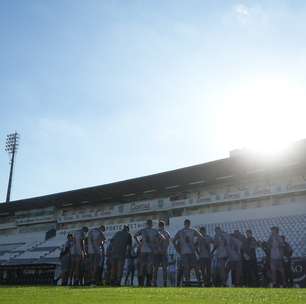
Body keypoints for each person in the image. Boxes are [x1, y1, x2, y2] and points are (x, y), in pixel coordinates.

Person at [134, 219, 164, 286]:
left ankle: (141, 283)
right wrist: (156, 245)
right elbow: (162, 238)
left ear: (146, 224)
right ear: (152, 224)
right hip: (150, 251)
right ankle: (148, 283)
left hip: (143, 250)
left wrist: (139, 243)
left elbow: (135, 236)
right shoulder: (154, 231)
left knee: (142, 266)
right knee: (149, 266)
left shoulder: (143, 230)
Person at [173, 219, 203, 285]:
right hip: (191, 251)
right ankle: (199, 282)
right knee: (195, 267)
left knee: (187, 268)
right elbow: (201, 237)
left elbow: (173, 241)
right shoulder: (192, 230)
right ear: (189, 223)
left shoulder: (180, 231)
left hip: (184, 252)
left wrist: (177, 249)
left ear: (184, 224)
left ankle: (188, 282)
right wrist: (195, 246)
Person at [153, 220, 171, 287]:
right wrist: (163, 249)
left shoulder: (156, 232)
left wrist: (158, 249)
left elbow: (154, 243)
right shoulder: (166, 233)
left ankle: (154, 282)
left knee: (156, 268)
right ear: (164, 226)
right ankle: (164, 283)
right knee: (164, 268)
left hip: (158, 252)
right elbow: (168, 243)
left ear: (159, 225)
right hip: (163, 252)